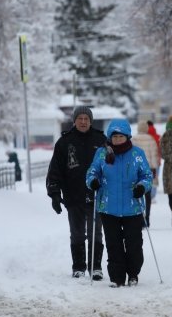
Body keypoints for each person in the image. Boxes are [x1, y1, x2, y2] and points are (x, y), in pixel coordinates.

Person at [86, 119, 153, 287]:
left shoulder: (137, 153)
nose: (117, 139)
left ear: (127, 136)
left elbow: (147, 176)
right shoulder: (102, 154)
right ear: (110, 137)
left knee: (134, 245)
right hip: (108, 208)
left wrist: (141, 187)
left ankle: (133, 274)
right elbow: (92, 172)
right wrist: (93, 181)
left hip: (133, 207)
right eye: (114, 136)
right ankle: (116, 278)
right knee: (113, 245)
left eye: (120, 136)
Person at [46, 106, 107, 280]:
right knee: (78, 233)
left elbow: (110, 167)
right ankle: (79, 267)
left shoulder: (101, 140)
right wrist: (55, 194)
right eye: (79, 118)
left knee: (96, 232)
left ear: (90, 121)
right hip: (74, 195)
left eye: (86, 119)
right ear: (74, 121)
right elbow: (55, 170)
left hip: (96, 195)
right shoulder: (65, 142)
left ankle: (95, 267)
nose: (83, 122)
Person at [131, 120, 160, 227]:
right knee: (147, 196)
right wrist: (154, 169)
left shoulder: (133, 139)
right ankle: (147, 218)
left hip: (136, 171)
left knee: (137, 195)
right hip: (147, 171)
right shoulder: (151, 140)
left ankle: (139, 217)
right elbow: (154, 156)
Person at [147, 120, 161, 201]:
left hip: (145, 161)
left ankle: (147, 195)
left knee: (146, 178)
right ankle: (153, 196)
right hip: (156, 161)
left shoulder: (144, 137)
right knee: (155, 178)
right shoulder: (158, 137)